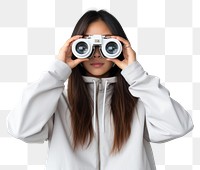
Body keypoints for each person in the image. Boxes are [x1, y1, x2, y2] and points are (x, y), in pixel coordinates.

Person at [7, 10, 193, 170]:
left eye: (108, 45)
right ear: (73, 47)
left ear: (121, 48)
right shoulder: (57, 102)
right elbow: (21, 129)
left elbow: (177, 126)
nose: (96, 53)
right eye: (86, 45)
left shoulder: (140, 100)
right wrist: (57, 71)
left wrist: (136, 75)